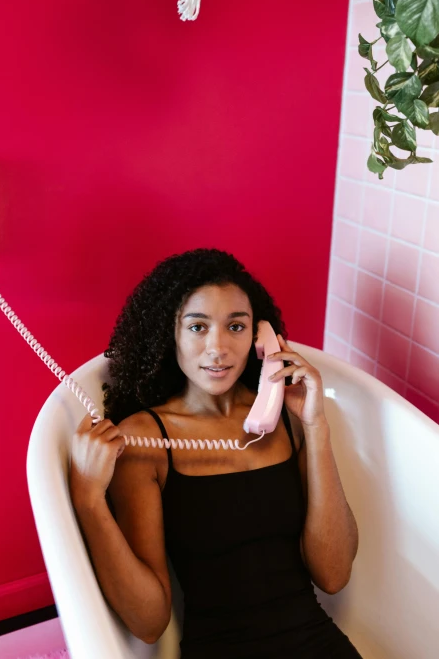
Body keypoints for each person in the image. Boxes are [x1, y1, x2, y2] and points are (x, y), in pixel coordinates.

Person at [69, 249, 362, 658]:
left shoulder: (287, 418)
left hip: (316, 642)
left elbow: (334, 574)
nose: (218, 347)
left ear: (262, 339)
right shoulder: (143, 441)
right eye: (198, 327)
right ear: (168, 333)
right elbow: (149, 623)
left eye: (236, 326)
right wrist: (87, 498)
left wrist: (316, 427)